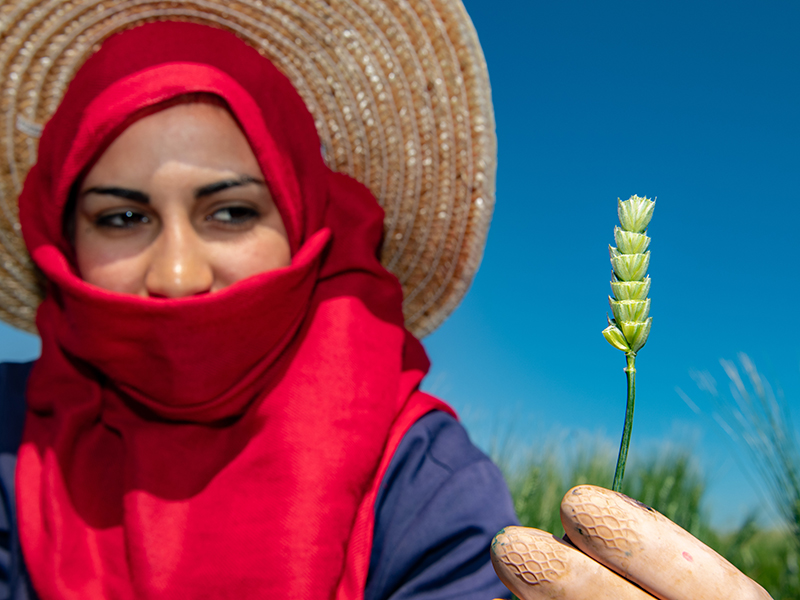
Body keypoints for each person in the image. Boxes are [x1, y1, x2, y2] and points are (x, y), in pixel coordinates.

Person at [0, 5, 775, 600]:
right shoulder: (9, 441)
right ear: (60, 241)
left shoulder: (425, 482)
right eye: (122, 217)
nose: (175, 274)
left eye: (230, 211)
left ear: (307, 225)